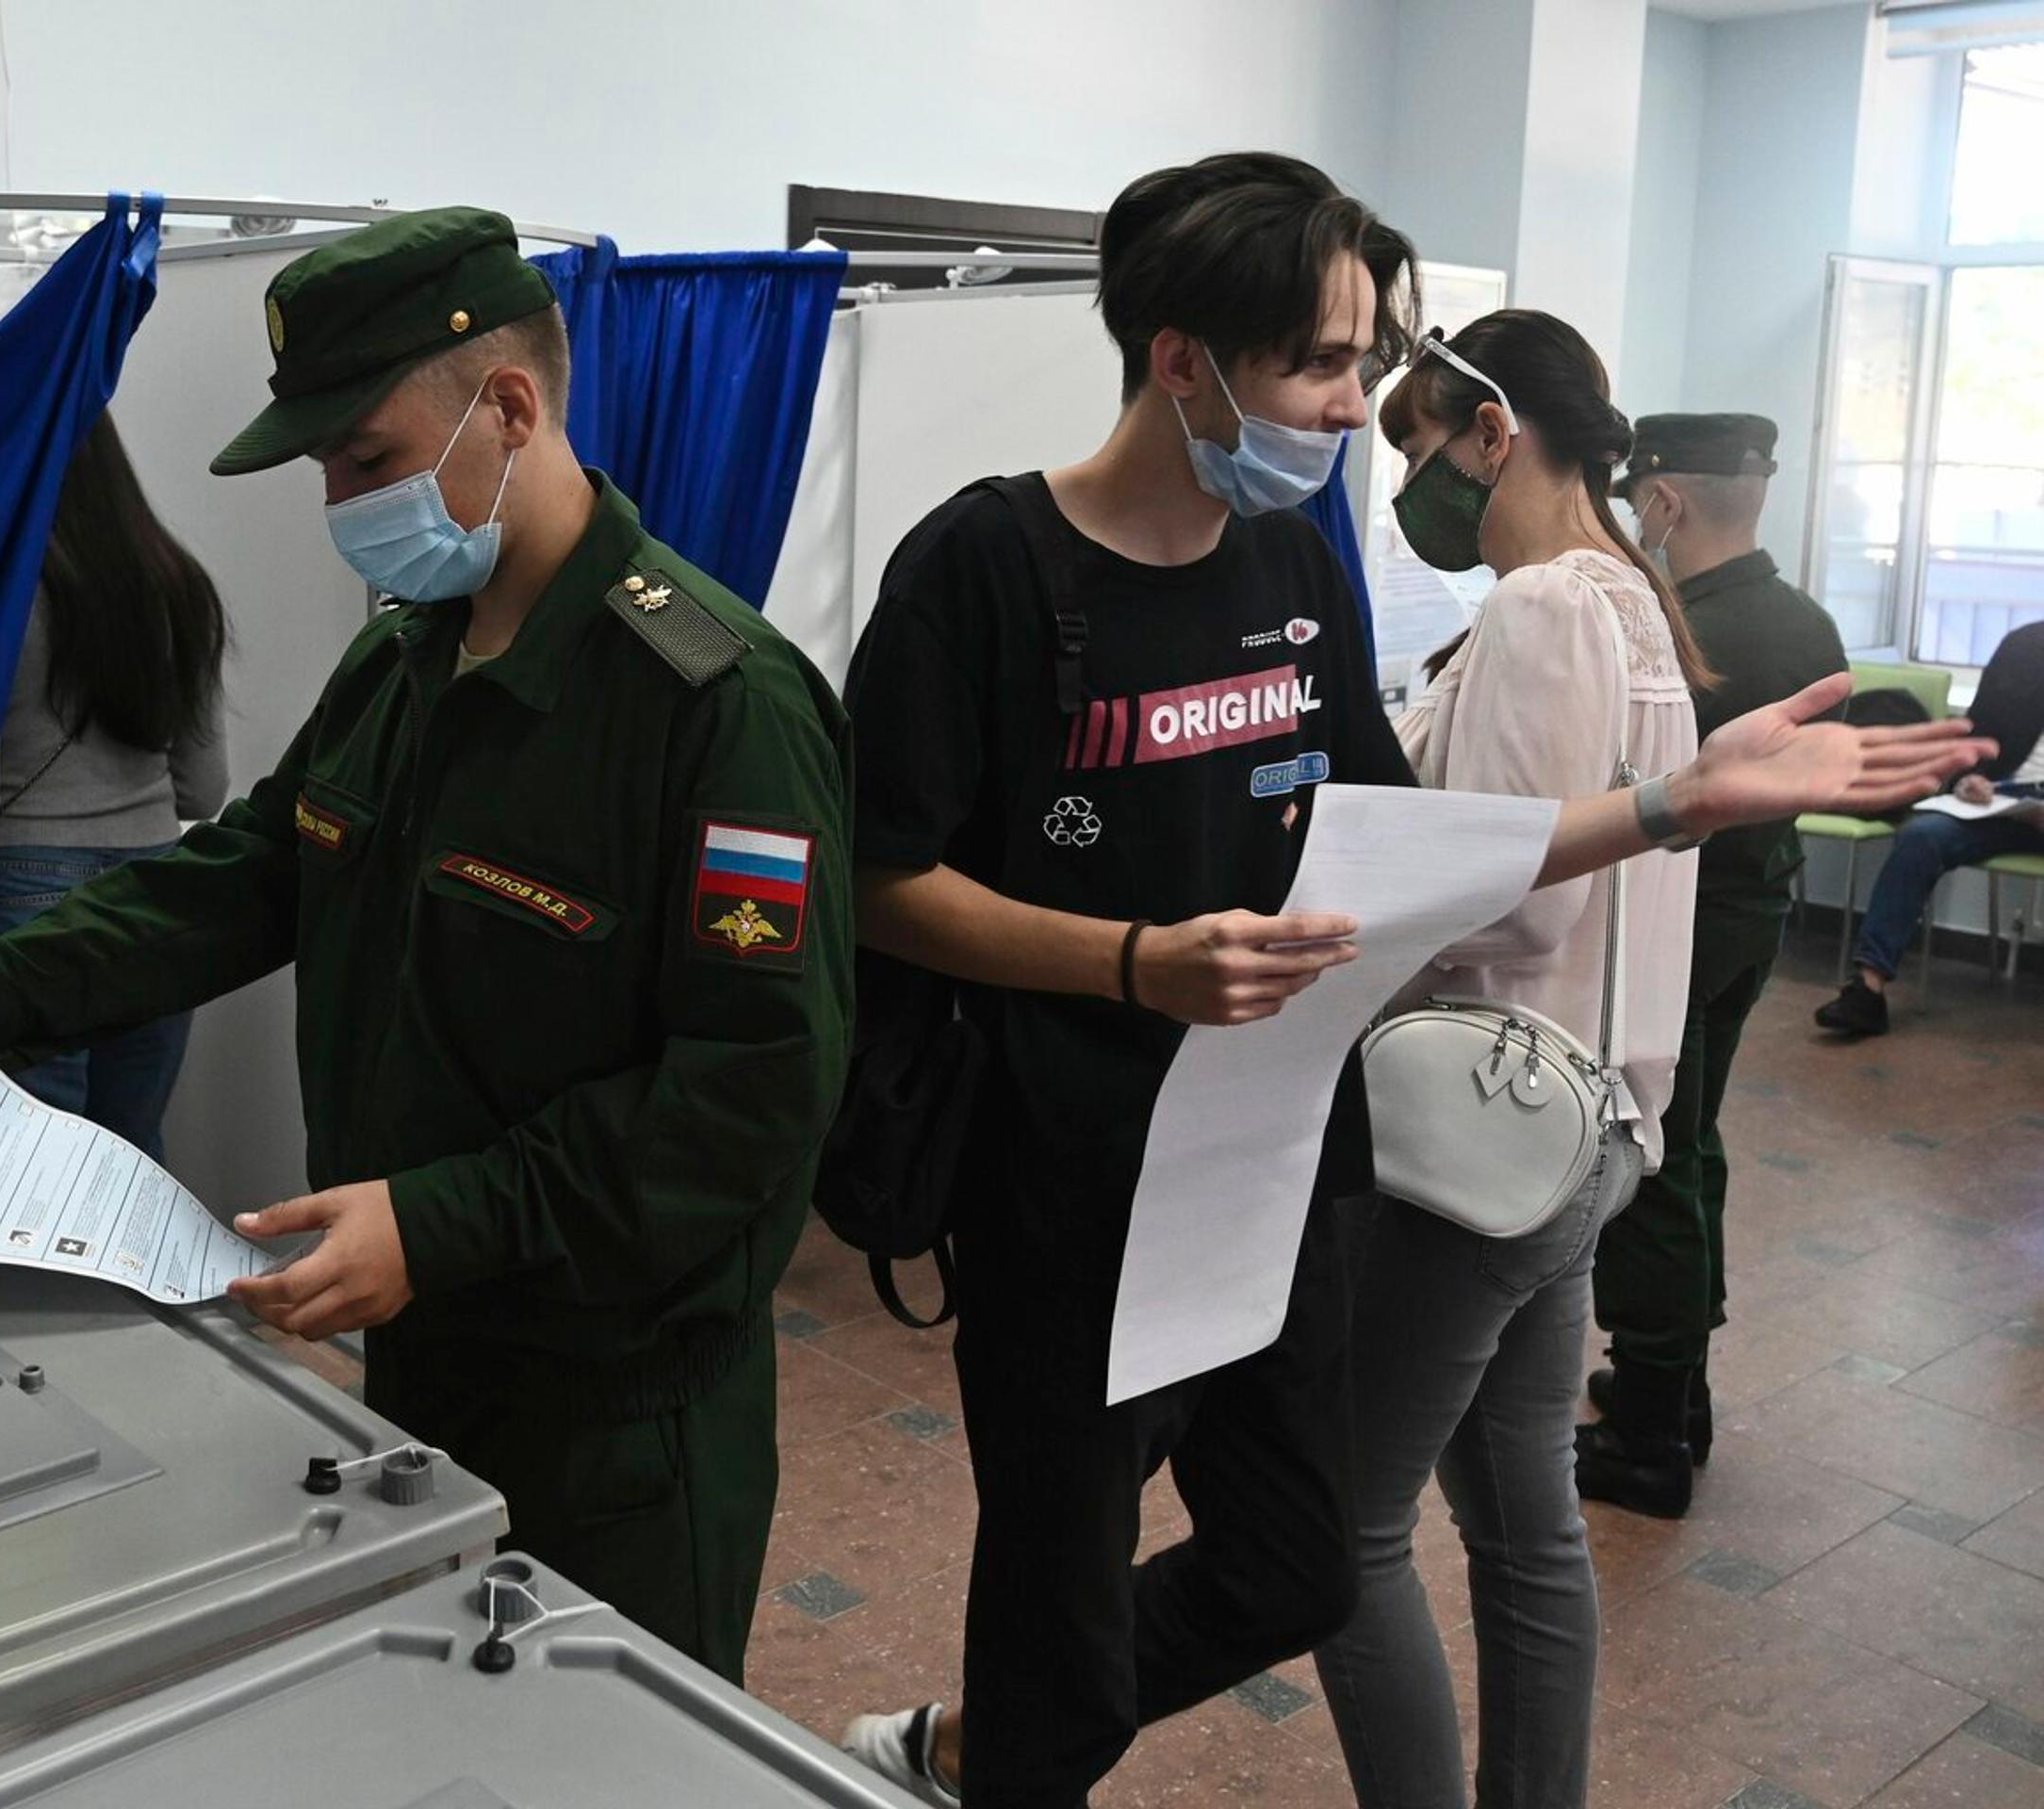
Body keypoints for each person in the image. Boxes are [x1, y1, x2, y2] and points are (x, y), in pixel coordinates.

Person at [834, 153, 1984, 1809]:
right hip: (1064, 1187)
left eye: (1365, 360)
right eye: (1321, 363)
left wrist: (1678, 799)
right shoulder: (986, 570)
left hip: (1275, 1165)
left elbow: (1405, 845)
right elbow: (876, 883)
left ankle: (971, 1745)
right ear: (1180, 360)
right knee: (1058, 1607)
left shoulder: (1293, 572)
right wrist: (1134, 962)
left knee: (1299, 1565)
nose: (1353, 401)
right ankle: (1002, 1748)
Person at [0, 207, 852, 1683]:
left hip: (619, 1420)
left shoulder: (715, 704)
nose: (341, 500)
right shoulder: (406, 659)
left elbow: (749, 1105)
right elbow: (229, 884)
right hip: (422, 1362)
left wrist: (442, 1223)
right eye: (327, 466)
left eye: (369, 459)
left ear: (509, 408)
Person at [1311, 312, 1709, 1809]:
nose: (1408, 477)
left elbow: (1516, 888)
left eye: (1418, 443)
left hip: (1485, 1132)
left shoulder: (1547, 606)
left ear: (1494, 431)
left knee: (1337, 1535)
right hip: (1589, 1131)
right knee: (1524, 1519)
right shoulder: (1631, 601)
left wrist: (1335, 931)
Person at [1578, 414, 1847, 1516]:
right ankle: (1674, 1390)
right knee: (1693, 1143)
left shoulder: (1679, 630)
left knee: (1649, 1160)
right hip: (1757, 914)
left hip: (1683, 921)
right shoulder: (1806, 621)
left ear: (1667, 502)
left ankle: (1647, 1435)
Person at [0, 411, 231, 1161]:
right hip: (159, 891)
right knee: (129, 1154)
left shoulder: (5, 592)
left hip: (20, 886)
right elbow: (204, 792)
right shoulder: (179, 585)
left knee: (28, 1172)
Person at [1815, 617, 2044, 1036]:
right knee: (1922, 835)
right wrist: (1969, 781)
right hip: (2007, 805)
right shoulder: (2026, 648)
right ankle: (1868, 990)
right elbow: (1976, 736)